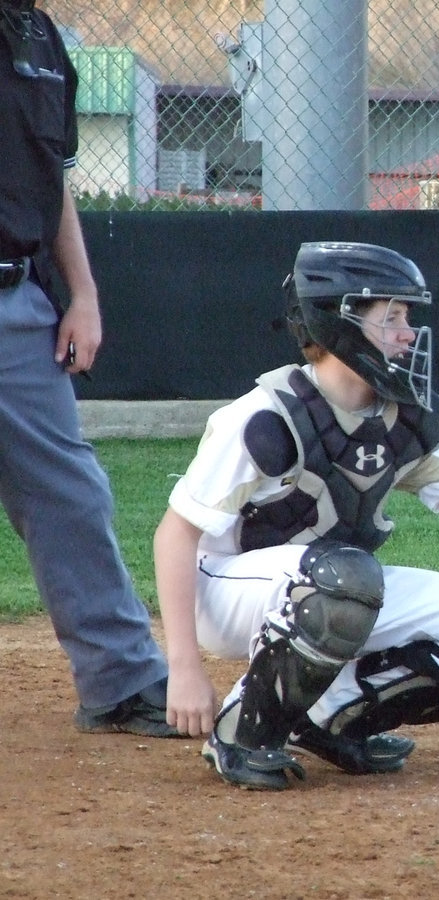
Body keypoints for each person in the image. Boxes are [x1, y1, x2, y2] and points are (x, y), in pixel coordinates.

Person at [157, 241, 439, 790]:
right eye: (393, 318)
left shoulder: (399, 419)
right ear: (341, 323)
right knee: (345, 577)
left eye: (407, 318)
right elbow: (176, 536)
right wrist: (184, 667)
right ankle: (244, 731)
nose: (408, 334)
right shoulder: (263, 417)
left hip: (328, 585)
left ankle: (327, 718)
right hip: (223, 592)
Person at [0, 0, 176, 737]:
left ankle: (121, 681)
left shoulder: (38, 38)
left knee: (70, 493)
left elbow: (53, 182)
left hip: (19, 303)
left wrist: (85, 296)